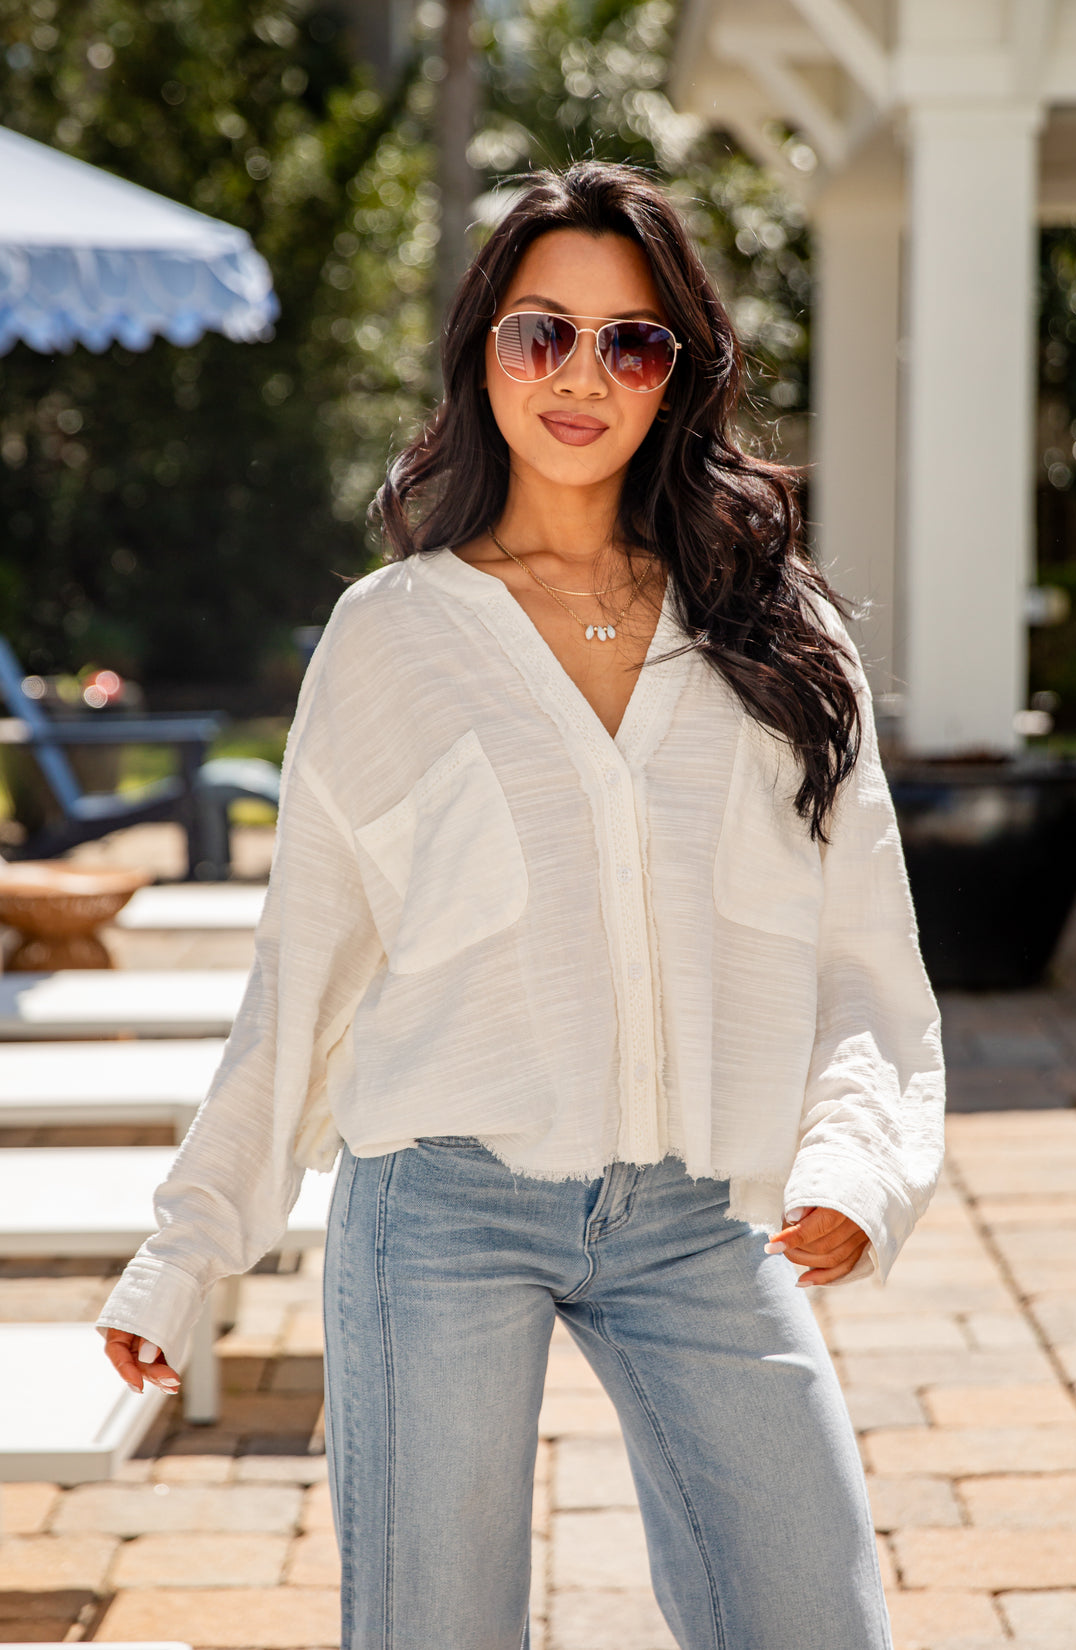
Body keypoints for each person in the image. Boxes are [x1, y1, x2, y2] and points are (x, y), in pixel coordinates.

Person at [100, 161, 944, 1650]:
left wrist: (856, 1159)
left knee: (818, 1620)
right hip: (441, 1203)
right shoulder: (391, 637)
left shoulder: (774, 626)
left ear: (680, 375)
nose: (581, 376)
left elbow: (864, 943)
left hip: (701, 1215)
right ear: (480, 345)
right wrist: (188, 1251)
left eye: (633, 342)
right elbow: (305, 971)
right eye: (541, 331)